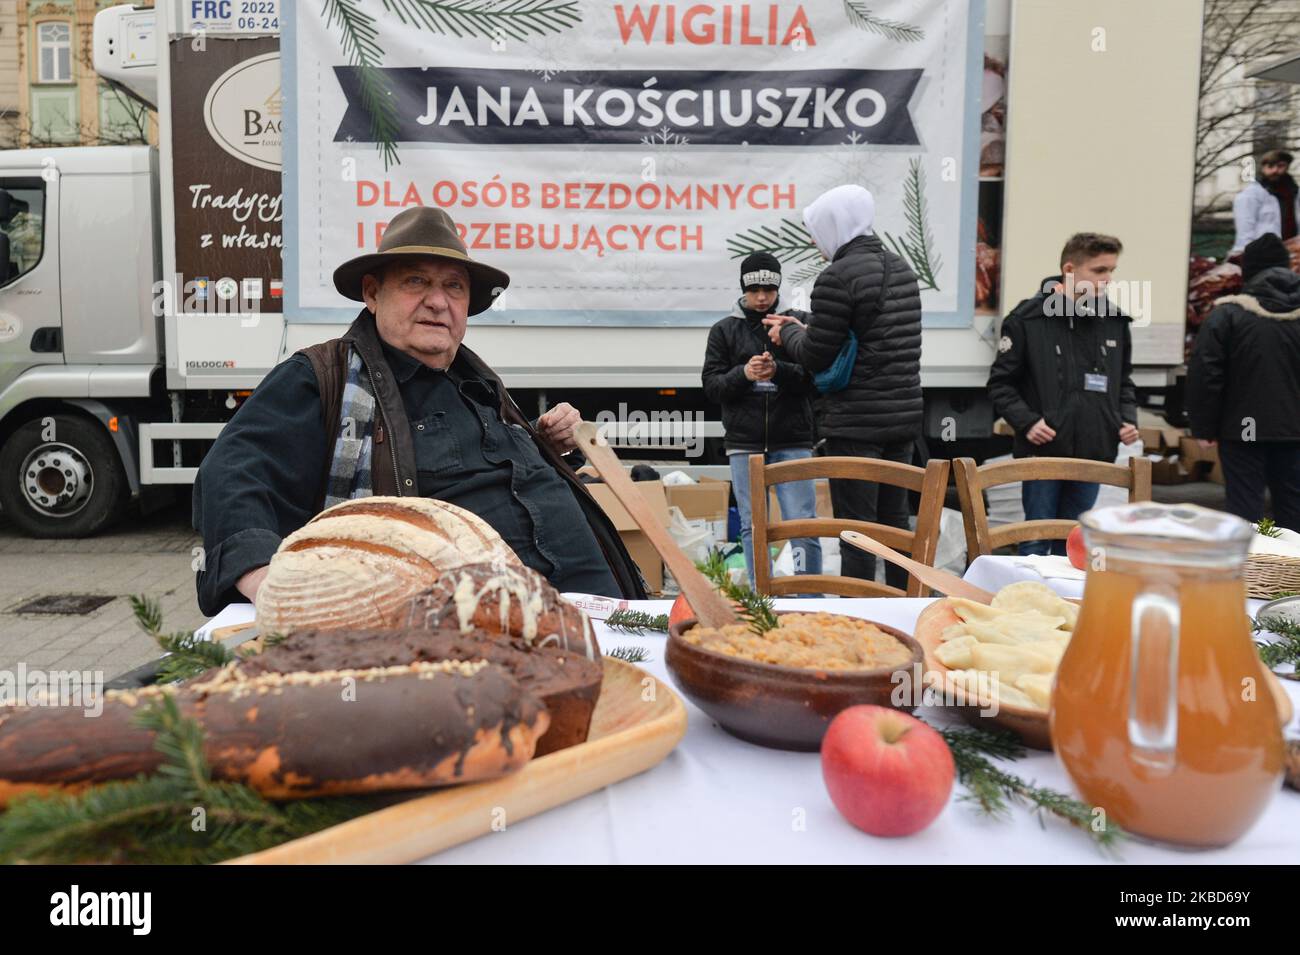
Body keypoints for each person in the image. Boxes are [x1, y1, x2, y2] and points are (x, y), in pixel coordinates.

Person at [192, 206, 646, 614]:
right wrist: (267, 583)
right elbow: (232, 474)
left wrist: (545, 446)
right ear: (372, 293)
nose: (438, 300)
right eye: (416, 281)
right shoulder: (322, 376)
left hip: (606, 613)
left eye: (454, 286)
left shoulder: (480, 383)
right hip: (481, 639)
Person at [762, 184, 922, 588]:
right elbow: (869, 335)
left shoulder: (837, 276)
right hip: (902, 421)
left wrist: (790, 336)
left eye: (817, 231)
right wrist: (807, 326)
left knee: (856, 531)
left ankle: (861, 618)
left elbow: (816, 355)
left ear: (834, 226)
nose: (816, 242)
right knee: (896, 525)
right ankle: (909, 608)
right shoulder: (902, 268)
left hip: (855, 425)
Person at [987, 232, 1140, 555]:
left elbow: (1123, 381)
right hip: (1044, 455)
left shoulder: (1114, 321)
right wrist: (1027, 422)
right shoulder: (1028, 319)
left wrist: (1126, 419)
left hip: (1093, 453)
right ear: (1070, 269)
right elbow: (1001, 384)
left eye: (1112, 271)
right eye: (1099, 271)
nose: (1108, 279)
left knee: (1073, 550)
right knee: (1036, 543)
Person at [702, 251, 821, 585]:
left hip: (793, 438)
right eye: (755, 290)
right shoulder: (723, 331)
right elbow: (711, 387)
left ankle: (809, 596)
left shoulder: (798, 322)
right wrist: (745, 374)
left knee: (803, 523)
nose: (762, 297)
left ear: (778, 287)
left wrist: (778, 370)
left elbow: (815, 380)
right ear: (743, 289)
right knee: (753, 525)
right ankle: (761, 596)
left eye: (769, 289)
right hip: (744, 443)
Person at [1187, 232, 1300, 531]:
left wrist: (1204, 428)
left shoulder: (1227, 315)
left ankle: (1249, 573)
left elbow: (1206, 373)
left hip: (1243, 430)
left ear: (1248, 271)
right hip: (1294, 433)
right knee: (1293, 510)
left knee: (1245, 510)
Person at [1232, 149, 1300, 253]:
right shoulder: (1250, 194)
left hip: (1293, 252)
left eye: (1280, 166)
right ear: (1263, 168)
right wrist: (1244, 255)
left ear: (1287, 167)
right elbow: (1245, 230)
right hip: (1263, 255)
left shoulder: (1294, 193)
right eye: (1270, 166)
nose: (1275, 170)